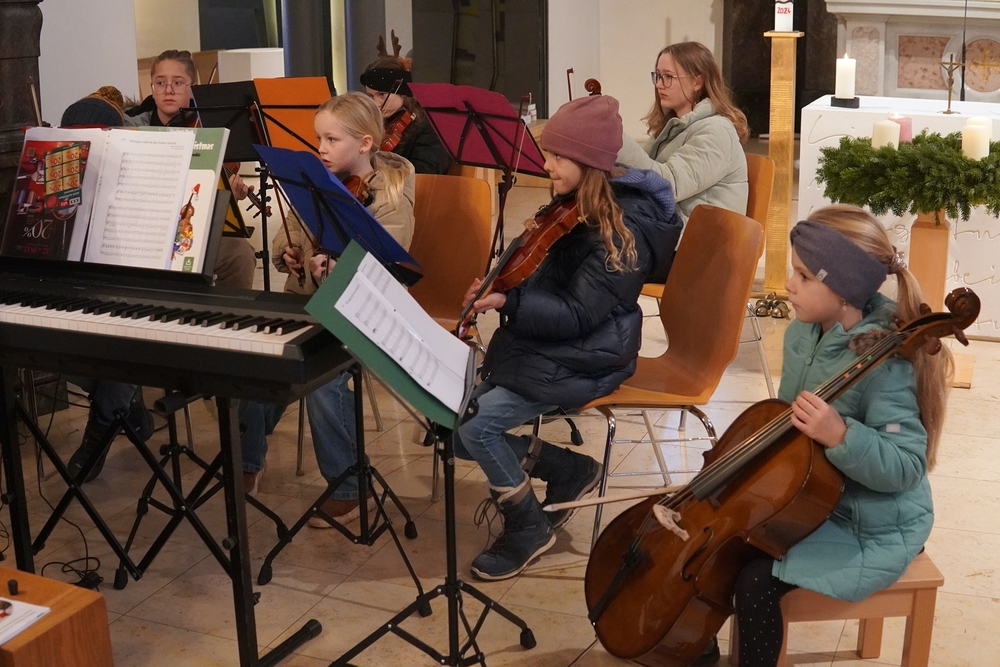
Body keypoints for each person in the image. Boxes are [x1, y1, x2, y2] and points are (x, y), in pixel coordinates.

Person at [455, 94, 682, 581]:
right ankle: (567, 469)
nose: (546, 165)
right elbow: (550, 283)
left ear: (589, 163)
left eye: (557, 157)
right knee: (453, 425)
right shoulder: (574, 209)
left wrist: (509, 302)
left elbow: (579, 314)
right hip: (548, 345)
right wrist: (505, 285)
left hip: (588, 355)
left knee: (475, 429)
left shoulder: (621, 233)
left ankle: (527, 527)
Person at [731, 205, 951, 667]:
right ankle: (691, 645)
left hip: (872, 523)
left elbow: (907, 466)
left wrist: (840, 435)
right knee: (725, 544)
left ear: (845, 291)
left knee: (755, 581)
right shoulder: (802, 332)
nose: (789, 284)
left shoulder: (885, 360)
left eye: (804, 275)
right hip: (814, 501)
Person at [241, 93, 415, 525]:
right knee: (256, 353)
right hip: (305, 301)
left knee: (321, 376)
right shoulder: (316, 179)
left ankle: (351, 487)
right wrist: (291, 254)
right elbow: (290, 230)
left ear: (365, 143)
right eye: (319, 138)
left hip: (361, 311)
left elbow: (386, 261)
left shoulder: (393, 193)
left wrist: (339, 266)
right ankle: (247, 460)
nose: (320, 147)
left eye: (332, 139)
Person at [126, 49, 257, 289]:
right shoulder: (133, 127)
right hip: (145, 227)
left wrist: (229, 196)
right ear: (151, 88)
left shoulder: (211, 128)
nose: (168, 90)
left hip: (192, 226)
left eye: (178, 83)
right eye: (160, 83)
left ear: (192, 88)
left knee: (240, 254)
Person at [616, 41, 748, 224]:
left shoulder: (717, 131)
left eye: (668, 76)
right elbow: (643, 173)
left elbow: (668, 184)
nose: (659, 84)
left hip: (700, 237)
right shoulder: (673, 126)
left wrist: (615, 138)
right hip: (671, 226)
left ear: (697, 82)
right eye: (658, 76)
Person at [360, 54, 452, 175]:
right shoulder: (382, 121)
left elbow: (425, 174)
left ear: (402, 92)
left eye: (382, 94)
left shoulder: (430, 127)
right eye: (371, 96)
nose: (376, 103)